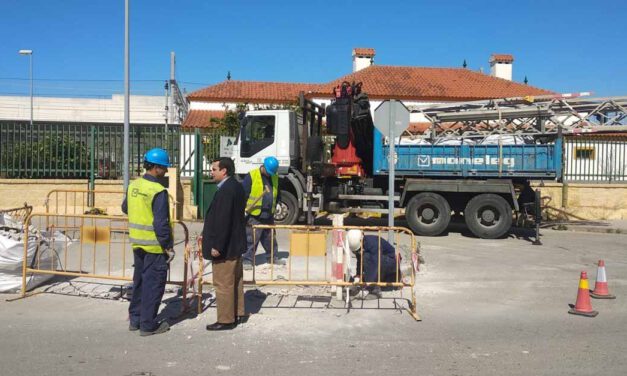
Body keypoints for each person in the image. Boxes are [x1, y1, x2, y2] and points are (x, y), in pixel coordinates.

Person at [122, 148, 174, 336]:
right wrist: (168, 246)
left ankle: (135, 320)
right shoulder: (158, 191)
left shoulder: (134, 186)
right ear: (157, 168)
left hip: (138, 244)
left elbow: (125, 208)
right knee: (153, 286)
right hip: (154, 246)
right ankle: (148, 325)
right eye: (165, 167)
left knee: (139, 283)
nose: (166, 171)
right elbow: (161, 223)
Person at [202, 157, 248, 331]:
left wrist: (217, 246)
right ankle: (238, 313)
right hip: (235, 244)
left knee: (223, 284)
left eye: (214, 169)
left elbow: (223, 220)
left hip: (226, 247)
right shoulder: (235, 186)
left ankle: (226, 319)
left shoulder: (226, 190)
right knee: (235, 281)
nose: (211, 172)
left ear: (224, 171)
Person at [241, 156, 285, 270]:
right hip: (255, 213)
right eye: (269, 172)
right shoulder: (252, 176)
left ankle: (272, 257)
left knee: (270, 237)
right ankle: (247, 260)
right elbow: (243, 194)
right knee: (251, 238)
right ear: (263, 166)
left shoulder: (274, 177)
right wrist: (242, 209)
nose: (270, 174)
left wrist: (279, 202)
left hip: (268, 213)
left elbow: (277, 192)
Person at [346, 229, 402, 300]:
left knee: (367, 257)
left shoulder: (374, 244)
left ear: (361, 240)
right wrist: (358, 275)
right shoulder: (361, 244)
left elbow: (375, 265)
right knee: (365, 256)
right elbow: (359, 260)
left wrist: (368, 287)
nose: (357, 252)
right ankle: (372, 284)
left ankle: (375, 290)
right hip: (382, 262)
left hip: (391, 264)